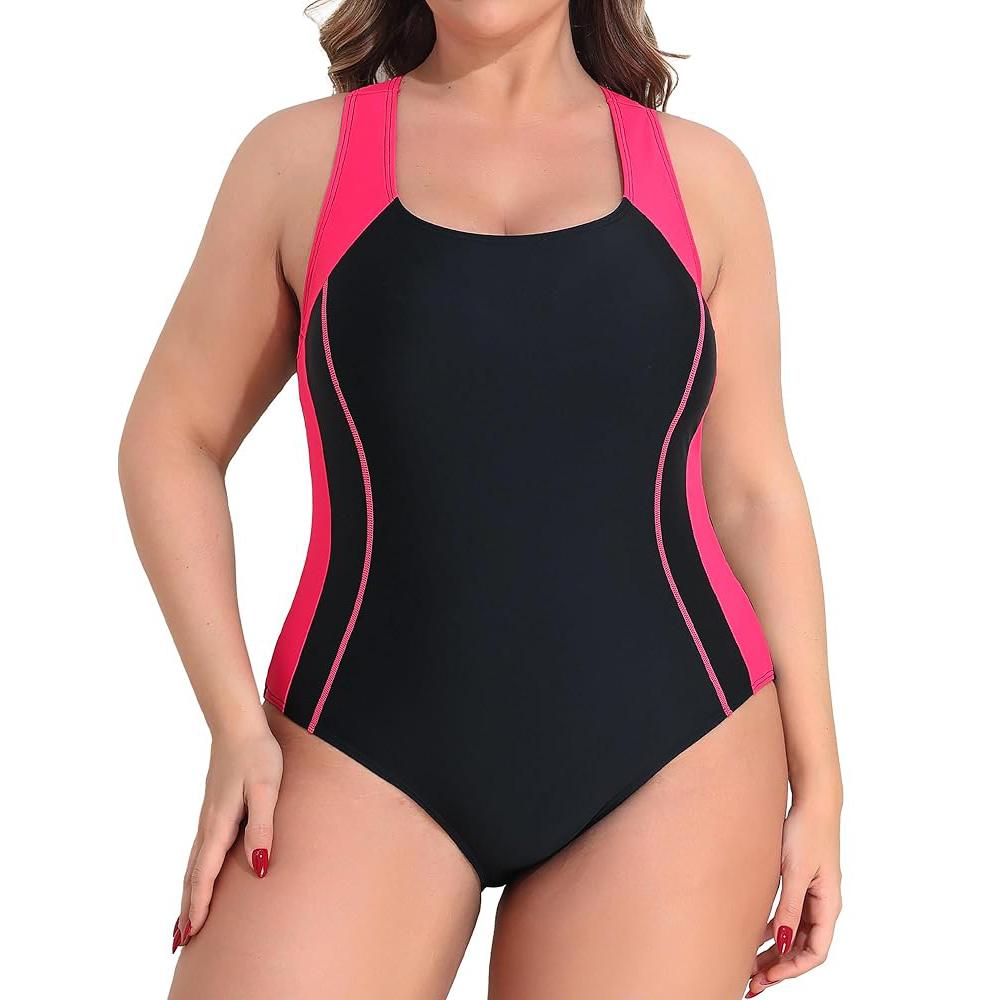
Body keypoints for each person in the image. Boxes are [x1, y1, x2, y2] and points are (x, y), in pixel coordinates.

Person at [119, 2, 843, 997]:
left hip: (675, 751)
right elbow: (170, 439)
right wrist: (233, 724)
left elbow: (755, 492)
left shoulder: (704, 179)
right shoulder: (296, 163)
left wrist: (822, 783)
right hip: (353, 744)